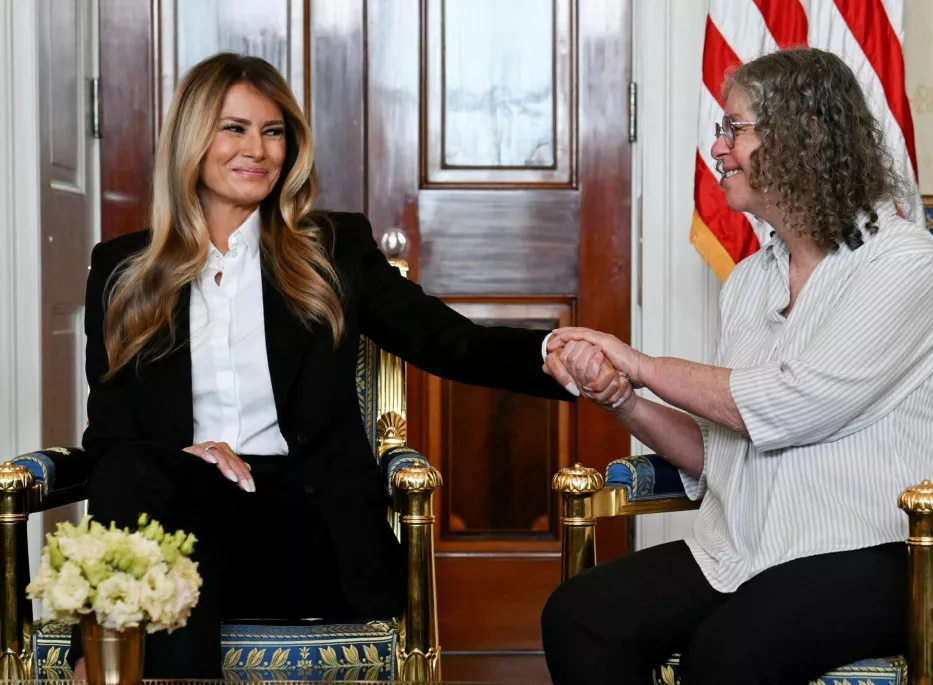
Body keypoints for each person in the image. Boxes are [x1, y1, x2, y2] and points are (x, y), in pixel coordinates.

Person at [73, 52, 620, 678]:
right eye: (235, 128)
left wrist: (551, 353)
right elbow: (108, 438)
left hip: (305, 534)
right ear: (191, 138)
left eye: (273, 132)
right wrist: (186, 460)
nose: (258, 150)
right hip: (179, 513)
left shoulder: (331, 250)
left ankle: (113, 666)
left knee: (159, 525)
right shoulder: (124, 269)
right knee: (141, 484)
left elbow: (446, 339)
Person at [539, 47, 933, 685]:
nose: (718, 149)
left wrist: (637, 361)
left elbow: (789, 404)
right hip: (745, 554)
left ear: (802, 137)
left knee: (732, 646)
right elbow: (721, 448)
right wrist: (622, 397)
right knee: (580, 615)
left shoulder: (904, 263)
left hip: (894, 555)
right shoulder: (749, 280)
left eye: (733, 128)